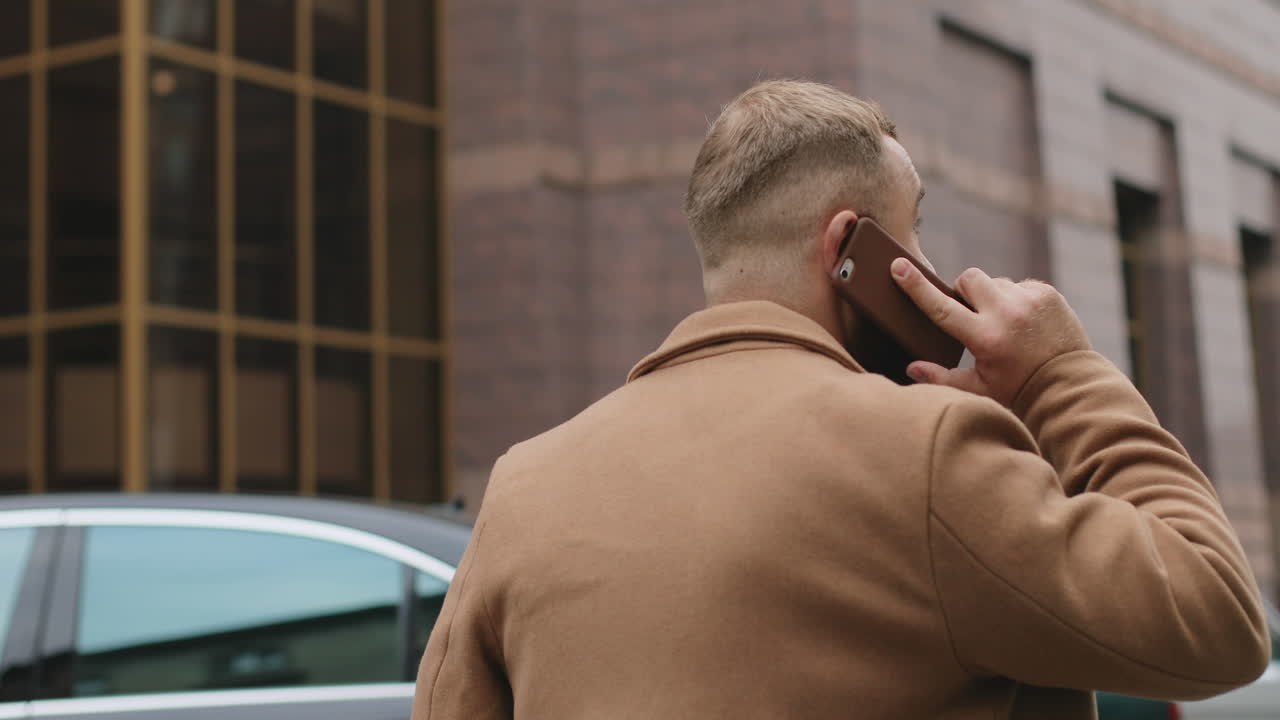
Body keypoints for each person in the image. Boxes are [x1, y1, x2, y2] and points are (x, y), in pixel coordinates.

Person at [411, 80, 1269, 719]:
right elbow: (1220, 619)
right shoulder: (928, 453)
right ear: (847, 247)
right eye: (916, 229)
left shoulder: (523, 485)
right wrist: (1060, 375)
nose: (929, 261)